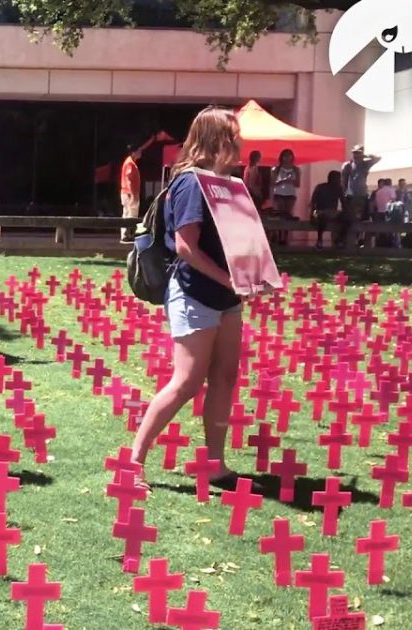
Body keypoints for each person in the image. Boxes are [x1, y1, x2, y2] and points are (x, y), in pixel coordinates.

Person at [129, 106, 245, 491]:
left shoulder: (226, 184)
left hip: (226, 295)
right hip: (194, 293)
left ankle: (216, 464)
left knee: (225, 378)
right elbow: (185, 247)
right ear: (216, 141)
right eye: (233, 136)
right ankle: (134, 462)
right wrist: (229, 280)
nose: (239, 143)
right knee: (186, 382)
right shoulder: (193, 184)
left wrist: (253, 275)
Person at [337, 144, 380, 248]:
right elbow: (344, 181)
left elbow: (378, 158)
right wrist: (342, 195)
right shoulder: (348, 165)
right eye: (355, 153)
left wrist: (365, 156)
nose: (356, 155)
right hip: (351, 195)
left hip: (362, 195)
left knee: (364, 218)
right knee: (349, 217)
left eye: (358, 153)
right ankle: (345, 240)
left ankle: (360, 240)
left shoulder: (366, 164)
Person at [309, 170, 342, 249]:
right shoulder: (320, 187)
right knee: (322, 218)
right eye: (337, 179)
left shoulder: (339, 189)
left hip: (333, 212)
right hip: (320, 211)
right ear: (331, 179)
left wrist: (346, 213)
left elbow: (343, 202)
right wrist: (311, 215)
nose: (339, 181)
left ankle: (339, 240)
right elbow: (313, 202)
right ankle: (319, 240)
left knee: (347, 219)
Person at [119, 144, 143, 243]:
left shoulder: (131, 162)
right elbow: (129, 179)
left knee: (127, 213)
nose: (140, 153)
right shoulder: (130, 163)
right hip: (129, 193)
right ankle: (127, 235)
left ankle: (127, 234)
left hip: (127, 192)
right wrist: (133, 195)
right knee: (131, 214)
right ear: (133, 152)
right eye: (138, 151)